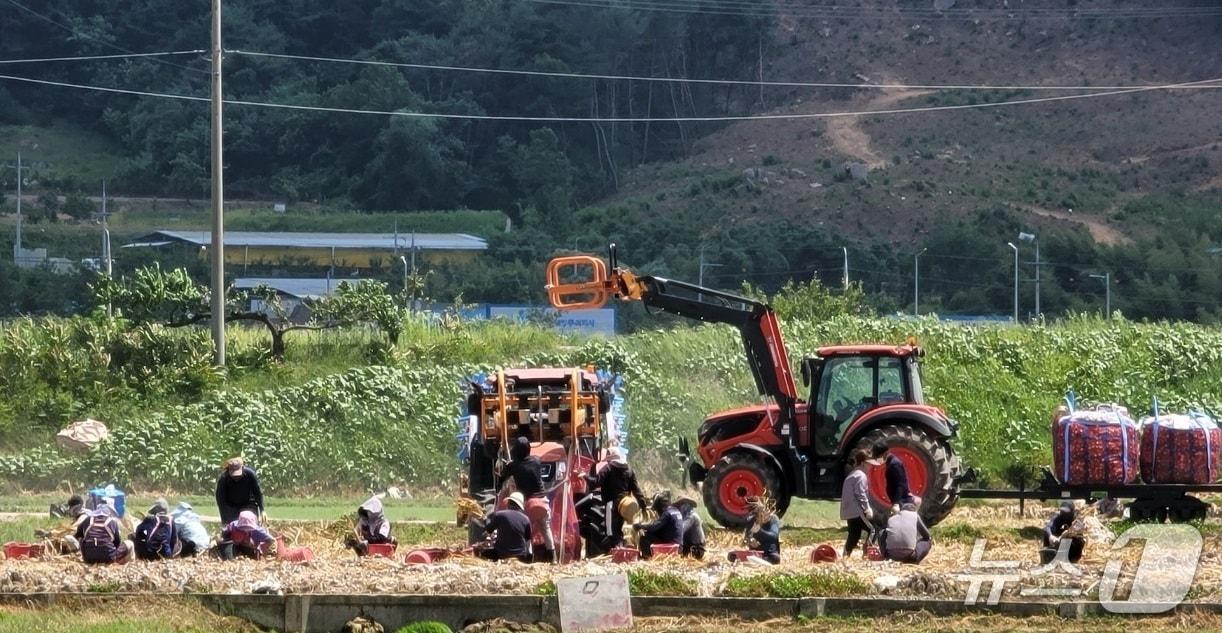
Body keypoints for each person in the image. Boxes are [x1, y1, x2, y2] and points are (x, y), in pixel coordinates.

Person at [503, 437, 555, 561]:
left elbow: (504, 475)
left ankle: (528, 557)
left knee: (526, 531)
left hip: (527, 503)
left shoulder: (514, 466)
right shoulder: (536, 460)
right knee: (546, 529)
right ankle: (553, 557)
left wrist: (508, 465)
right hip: (542, 500)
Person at [586, 447, 647, 549]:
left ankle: (617, 549)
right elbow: (636, 490)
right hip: (624, 505)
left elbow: (596, 482)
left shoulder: (608, 468)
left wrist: (584, 476)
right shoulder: (629, 470)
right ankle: (621, 547)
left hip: (612, 504)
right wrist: (643, 505)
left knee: (611, 531)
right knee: (618, 528)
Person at [479, 491, 533, 563]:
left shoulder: (500, 515)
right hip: (521, 555)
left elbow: (488, 530)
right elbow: (528, 541)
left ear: (508, 503)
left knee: (481, 553)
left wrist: (484, 519)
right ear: (520, 506)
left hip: (502, 554)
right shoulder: (526, 519)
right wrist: (528, 556)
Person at [840, 449, 875, 558]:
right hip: (857, 510)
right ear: (863, 463)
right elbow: (860, 494)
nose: (871, 466)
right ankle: (867, 553)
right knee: (873, 530)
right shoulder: (861, 476)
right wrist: (867, 508)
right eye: (869, 464)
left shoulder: (852, 474)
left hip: (848, 511)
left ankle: (846, 555)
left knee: (854, 535)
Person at [215, 457, 265, 525]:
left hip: (248, 505)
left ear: (242, 467)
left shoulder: (250, 474)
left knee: (250, 525)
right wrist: (224, 519)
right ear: (228, 470)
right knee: (233, 529)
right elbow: (221, 501)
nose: (236, 477)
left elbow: (257, 493)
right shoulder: (224, 478)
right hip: (231, 507)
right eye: (233, 475)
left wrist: (262, 510)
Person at [633, 491, 683, 559]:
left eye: (657, 510)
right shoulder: (676, 511)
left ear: (661, 507)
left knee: (645, 536)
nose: (657, 513)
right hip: (679, 547)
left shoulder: (667, 514)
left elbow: (655, 527)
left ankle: (647, 558)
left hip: (671, 547)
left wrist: (640, 526)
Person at [872, 442, 914, 514]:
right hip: (899, 500)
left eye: (878, 457)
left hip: (902, 501)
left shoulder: (894, 464)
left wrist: (896, 503)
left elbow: (900, 484)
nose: (877, 459)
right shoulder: (890, 463)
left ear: (885, 453)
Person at [742, 496, 782, 564]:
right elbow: (747, 537)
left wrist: (759, 531)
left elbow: (773, 536)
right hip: (755, 553)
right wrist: (749, 541)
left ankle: (760, 560)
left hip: (769, 553)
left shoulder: (773, 518)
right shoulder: (751, 520)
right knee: (731, 555)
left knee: (775, 558)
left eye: (752, 508)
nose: (750, 511)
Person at [673, 495, 705, 560]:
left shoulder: (691, 517)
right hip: (690, 547)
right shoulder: (686, 517)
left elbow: (681, 530)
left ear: (687, 506)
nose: (680, 508)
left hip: (695, 550)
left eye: (682, 505)